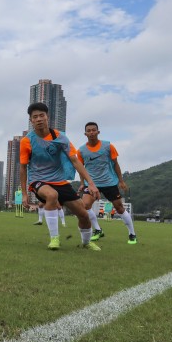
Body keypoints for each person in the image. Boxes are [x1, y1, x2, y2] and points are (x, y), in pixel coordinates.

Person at [19, 102, 101, 251]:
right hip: (38, 180)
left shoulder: (60, 137)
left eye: (41, 116)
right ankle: (54, 239)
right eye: (35, 117)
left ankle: (86, 242)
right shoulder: (26, 141)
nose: (39, 119)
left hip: (59, 181)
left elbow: (75, 160)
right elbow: (23, 168)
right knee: (52, 195)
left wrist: (91, 183)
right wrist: (24, 194)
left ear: (47, 117)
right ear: (31, 121)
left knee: (83, 215)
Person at [75, 122, 138, 244]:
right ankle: (98, 230)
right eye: (89, 130)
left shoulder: (108, 146)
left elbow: (115, 164)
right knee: (84, 206)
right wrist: (82, 183)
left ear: (98, 132)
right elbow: (80, 168)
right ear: (85, 133)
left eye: (94, 130)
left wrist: (121, 181)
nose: (92, 132)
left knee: (119, 208)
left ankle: (132, 234)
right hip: (92, 184)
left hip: (109, 182)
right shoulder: (81, 150)